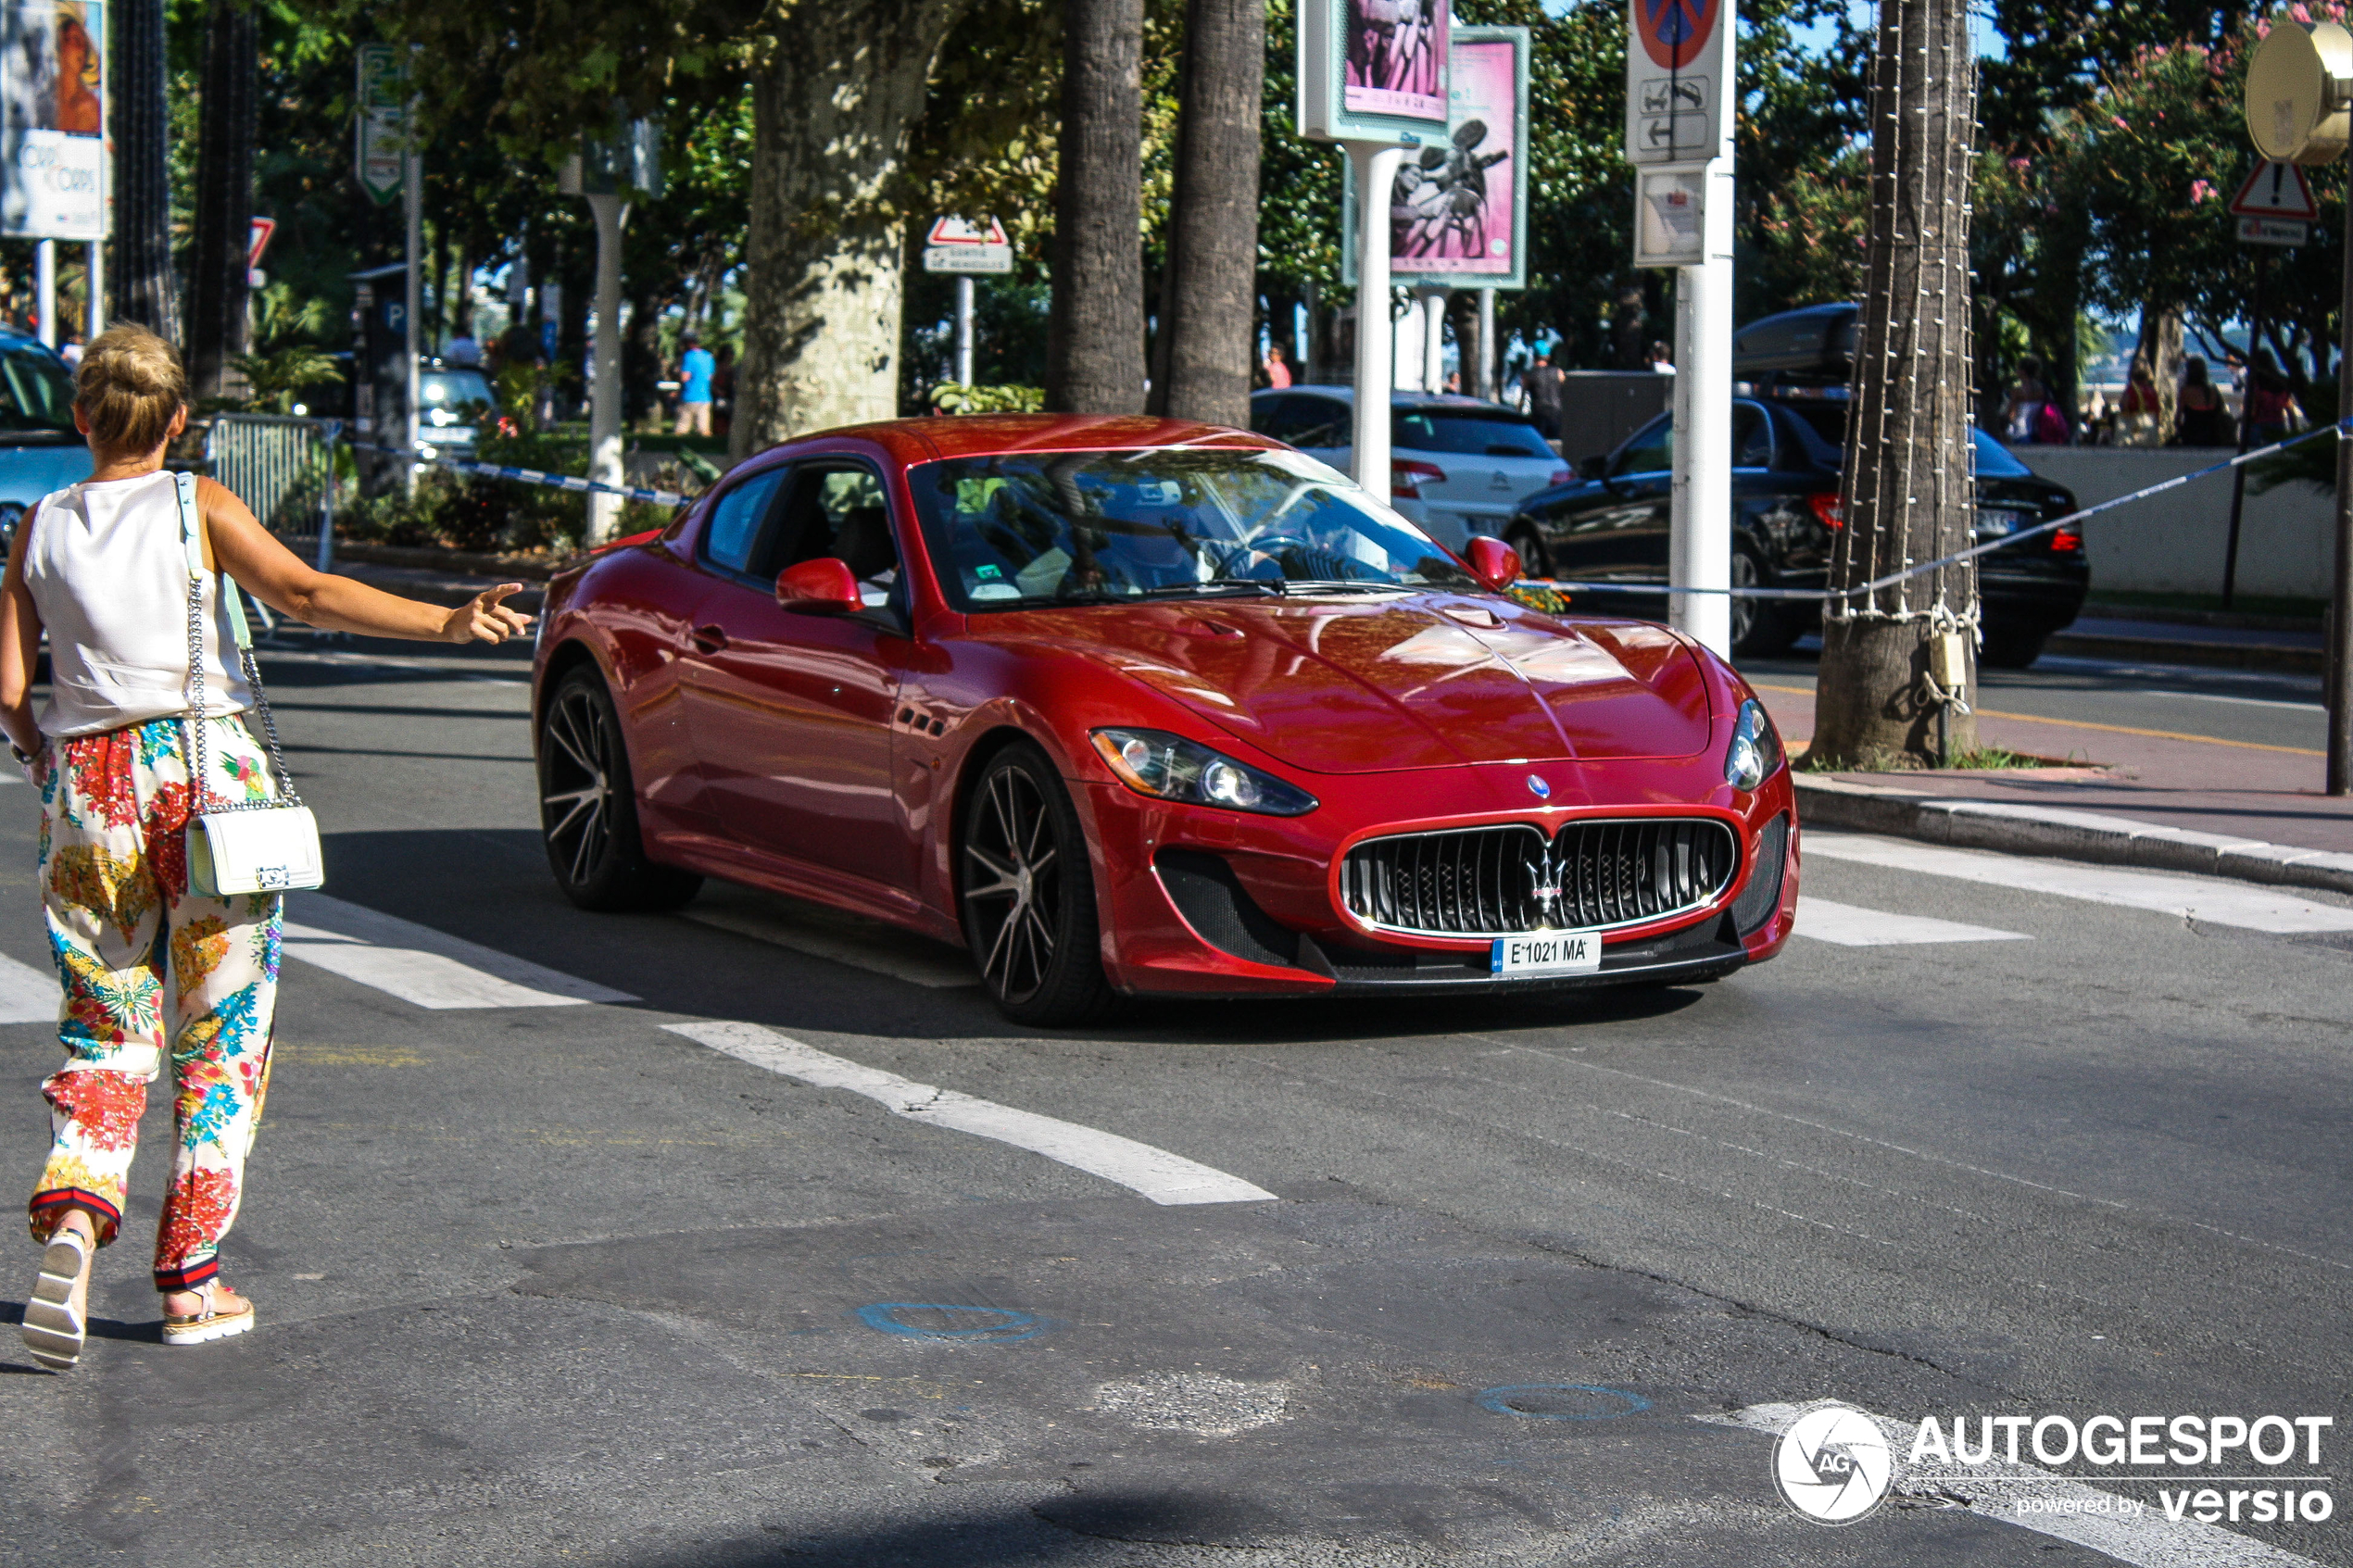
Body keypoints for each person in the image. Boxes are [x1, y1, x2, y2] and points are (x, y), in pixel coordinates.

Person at [6, 326, 532, 1372]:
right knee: (223, 1031)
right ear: (178, 423)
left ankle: (75, 1214)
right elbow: (304, 594)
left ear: (81, 421)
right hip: (210, 788)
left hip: (93, 796)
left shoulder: (41, 525)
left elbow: (11, 689)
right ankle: (190, 1282)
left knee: (109, 1024)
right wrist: (445, 623)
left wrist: (38, 755)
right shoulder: (195, 503)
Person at [2173, 357, 2232, 446]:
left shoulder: (2185, 392)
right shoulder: (2213, 391)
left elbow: (2178, 418)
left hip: (2192, 436)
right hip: (2213, 436)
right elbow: (2221, 411)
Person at [2244, 348, 2296, 445]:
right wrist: (2295, 431)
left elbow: (2252, 409)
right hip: (2278, 424)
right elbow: (2289, 408)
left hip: (2258, 425)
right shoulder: (2281, 382)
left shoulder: (2255, 383)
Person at [674, 334, 716, 437]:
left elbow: (685, 377)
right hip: (705, 397)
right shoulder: (709, 357)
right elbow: (710, 377)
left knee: (681, 429)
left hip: (689, 396)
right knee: (704, 431)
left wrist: (677, 374)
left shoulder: (689, 356)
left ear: (688, 343)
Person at [1521, 350, 1566, 441]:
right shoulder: (1558, 372)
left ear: (1534, 357)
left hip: (1539, 413)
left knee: (1540, 442)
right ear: (1548, 357)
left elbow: (1523, 397)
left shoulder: (1529, 375)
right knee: (1556, 443)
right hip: (1556, 411)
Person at [2004, 358, 2051, 444]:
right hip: (2039, 431)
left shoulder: (2017, 391)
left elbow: (2011, 412)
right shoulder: (2042, 390)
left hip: (2021, 432)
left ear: (2023, 371)